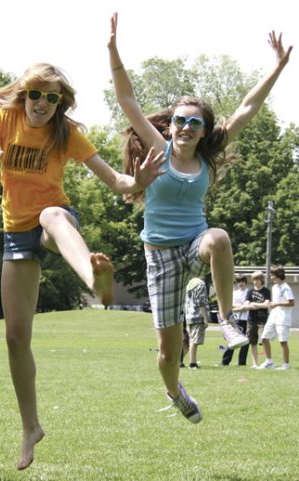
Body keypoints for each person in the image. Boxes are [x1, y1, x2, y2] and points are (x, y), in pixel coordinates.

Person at [0, 61, 164, 469]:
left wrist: (140, 180)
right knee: (15, 339)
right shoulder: (5, 120)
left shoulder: (66, 134)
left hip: (56, 221)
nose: (42, 103)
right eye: (35, 94)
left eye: (52, 97)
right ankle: (30, 427)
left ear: (61, 103)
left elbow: (116, 182)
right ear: (24, 96)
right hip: (14, 234)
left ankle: (95, 279)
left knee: (50, 217)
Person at [108, 12, 291, 422]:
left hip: (195, 243)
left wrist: (276, 68)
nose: (187, 127)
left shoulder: (206, 155)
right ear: (170, 127)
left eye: (195, 122)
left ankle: (226, 320)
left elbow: (248, 107)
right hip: (159, 257)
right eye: (180, 121)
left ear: (203, 129)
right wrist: (113, 50)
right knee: (167, 352)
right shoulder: (159, 147)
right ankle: (175, 392)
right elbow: (127, 100)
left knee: (220, 237)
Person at [258, 266, 294, 370]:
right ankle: (269, 362)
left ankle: (286, 365)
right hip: (273, 317)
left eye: (272, 275)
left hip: (283, 318)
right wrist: (271, 304)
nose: (270, 277)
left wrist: (276, 304)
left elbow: (291, 302)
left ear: (278, 276)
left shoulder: (286, 287)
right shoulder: (274, 287)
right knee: (264, 338)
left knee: (283, 341)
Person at [221, 274, 250, 366]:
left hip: (246, 319)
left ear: (245, 282)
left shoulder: (248, 292)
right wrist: (241, 308)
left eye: (242, 281)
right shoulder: (234, 293)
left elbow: (248, 306)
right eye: (239, 282)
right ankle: (225, 361)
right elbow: (231, 306)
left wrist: (242, 307)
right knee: (233, 340)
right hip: (235, 319)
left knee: (245, 341)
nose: (241, 284)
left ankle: (242, 362)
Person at [245, 270, 271, 368]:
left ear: (261, 280)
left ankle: (268, 362)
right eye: (254, 279)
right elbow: (247, 305)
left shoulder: (266, 291)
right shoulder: (250, 291)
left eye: (257, 279)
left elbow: (267, 304)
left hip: (263, 319)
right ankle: (255, 364)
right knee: (253, 342)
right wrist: (259, 305)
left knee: (264, 340)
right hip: (251, 319)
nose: (255, 281)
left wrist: (254, 304)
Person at [183, 278, 211, 369]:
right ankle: (192, 363)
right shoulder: (200, 284)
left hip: (189, 316)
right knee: (194, 341)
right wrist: (205, 318)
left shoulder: (189, 283)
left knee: (190, 340)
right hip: (198, 316)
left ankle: (185, 361)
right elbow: (201, 302)